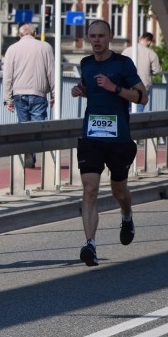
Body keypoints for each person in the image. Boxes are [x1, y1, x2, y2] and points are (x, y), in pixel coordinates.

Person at [70, 20, 146, 266]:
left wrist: (115, 88)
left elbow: (142, 96)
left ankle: (126, 215)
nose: (96, 40)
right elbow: (92, 90)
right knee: (90, 188)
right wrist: (81, 90)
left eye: (101, 35)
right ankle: (90, 245)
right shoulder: (86, 64)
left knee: (118, 190)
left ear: (110, 37)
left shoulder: (123, 64)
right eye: (92, 36)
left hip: (119, 139)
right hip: (92, 136)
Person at [1, 23, 55, 168]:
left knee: (24, 128)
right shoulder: (45, 47)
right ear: (35, 33)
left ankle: (27, 155)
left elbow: (7, 76)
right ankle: (33, 153)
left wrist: (8, 99)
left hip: (19, 94)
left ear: (20, 35)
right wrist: (55, 94)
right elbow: (51, 72)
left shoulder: (12, 49)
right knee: (37, 128)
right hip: (39, 93)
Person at [122, 32, 161, 112]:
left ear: (140, 39)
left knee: (125, 109)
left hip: (126, 85)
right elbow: (156, 71)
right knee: (138, 110)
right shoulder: (151, 53)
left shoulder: (126, 51)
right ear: (149, 42)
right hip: (142, 86)